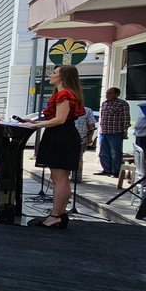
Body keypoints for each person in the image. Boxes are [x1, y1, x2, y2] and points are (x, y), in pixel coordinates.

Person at [20, 65, 85, 229]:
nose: (51, 74)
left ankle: (56, 215)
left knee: (59, 177)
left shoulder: (64, 94)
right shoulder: (66, 93)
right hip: (62, 135)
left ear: (63, 77)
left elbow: (60, 119)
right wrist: (35, 122)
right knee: (59, 177)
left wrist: (35, 125)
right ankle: (58, 214)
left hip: (61, 136)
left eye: (55, 73)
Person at [96, 87, 130, 178]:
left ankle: (116, 172)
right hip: (104, 132)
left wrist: (125, 131)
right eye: (107, 93)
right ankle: (106, 170)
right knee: (103, 153)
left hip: (115, 132)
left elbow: (126, 119)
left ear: (117, 94)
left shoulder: (122, 104)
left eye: (110, 93)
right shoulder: (104, 103)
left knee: (115, 153)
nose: (107, 95)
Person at [73, 105, 97, 183]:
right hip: (68, 138)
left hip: (81, 138)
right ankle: (66, 177)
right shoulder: (67, 108)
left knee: (78, 158)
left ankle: (76, 178)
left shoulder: (87, 110)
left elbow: (92, 126)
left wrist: (90, 138)